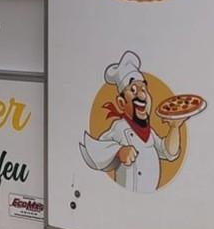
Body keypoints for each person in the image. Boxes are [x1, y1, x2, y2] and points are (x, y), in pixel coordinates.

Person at [78, 51, 186, 193]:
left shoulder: (150, 132)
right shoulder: (119, 128)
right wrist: (118, 151)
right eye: (133, 90)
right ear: (121, 103)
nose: (141, 95)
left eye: (144, 90)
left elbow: (168, 152)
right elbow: (98, 149)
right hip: (127, 197)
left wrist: (174, 127)